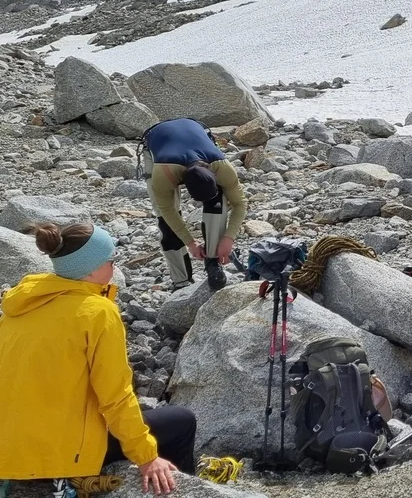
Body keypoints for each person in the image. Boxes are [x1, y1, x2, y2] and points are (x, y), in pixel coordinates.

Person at [0, 223, 197, 495]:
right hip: (60, 453)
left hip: (9, 449)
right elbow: (114, 396)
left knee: (145, 419)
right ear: (90, 269)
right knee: (181, 421)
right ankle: (186, 489)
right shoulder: (97, 312)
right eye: (110, 261)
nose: (114, 267)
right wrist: (147, 457)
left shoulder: (18, 308)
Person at [141, 118, 247, 291]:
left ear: (215, 176)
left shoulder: (222, 167)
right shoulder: (163, 174)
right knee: (165, 220)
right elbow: (167, 210)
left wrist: (229, 238)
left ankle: (213, 261)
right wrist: (190, 243)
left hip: (195, 133)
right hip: (157, 143)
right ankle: (181, 281)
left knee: (218, 203)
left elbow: (240, 203)